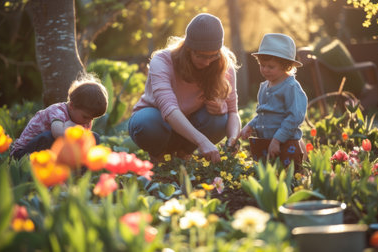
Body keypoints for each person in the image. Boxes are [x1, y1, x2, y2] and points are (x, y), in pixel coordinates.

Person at [128, 13, 241, 163]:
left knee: (219, 118)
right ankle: (158, 158)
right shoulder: (162, 61)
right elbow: (168, 109)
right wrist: (202, 141)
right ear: (188, 49)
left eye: (213, 56)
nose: (207, 62)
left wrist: (233, 139)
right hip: (157, 123)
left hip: (188, 130)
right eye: (201, 56)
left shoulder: (223, 66)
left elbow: (233, 111)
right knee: (149, 123)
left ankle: (183, 156)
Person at [240, 33, 308, 168]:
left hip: (286, 143)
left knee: (288, 175)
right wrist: (250, 125)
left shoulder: (291, 87)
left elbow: (295, 117)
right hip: (265, 142)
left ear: (286, 66)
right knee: (268, 176)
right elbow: (262, 113)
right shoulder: (264, 86)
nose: (265, 70)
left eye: (271, 67)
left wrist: (277, 139)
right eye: (262, 65)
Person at [10, 73, 108, 159]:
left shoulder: (85, 120)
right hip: (24, 154)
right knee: (48, 137)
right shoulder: (57, 111)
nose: (88, 122)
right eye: (85, 117)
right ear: (72, 106)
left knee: (93, 137)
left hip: (54, 153)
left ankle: (78, 174)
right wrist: (71, 126)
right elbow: (57, 133)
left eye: (92, 118)